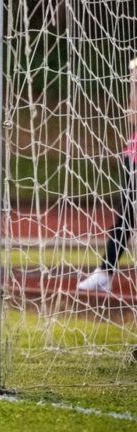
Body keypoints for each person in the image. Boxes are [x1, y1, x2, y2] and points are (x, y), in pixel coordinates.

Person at [78, 58, 137, 292]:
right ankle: (104, 273)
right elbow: (133, 116)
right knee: (127, 217)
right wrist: (134, 81)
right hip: (134, 158)